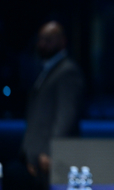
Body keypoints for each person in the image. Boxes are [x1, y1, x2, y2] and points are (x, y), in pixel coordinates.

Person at [4, 21, 85, 190]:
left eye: (48, 39)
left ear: (62, 41)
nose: (42, 44)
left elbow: (66, 116)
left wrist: (52, 152)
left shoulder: (68, 71)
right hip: (34, 156)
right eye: (40, 39)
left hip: (49, 158)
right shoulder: (47, 69)